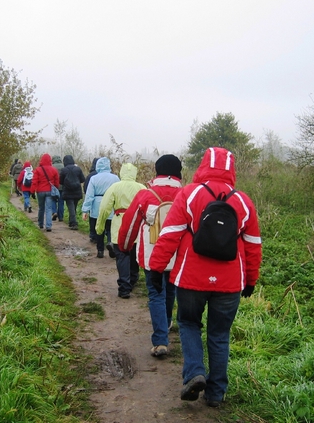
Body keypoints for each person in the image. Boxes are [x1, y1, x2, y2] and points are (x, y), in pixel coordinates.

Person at [148, 147, 262, 408]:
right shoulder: (243, 201)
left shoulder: (189, 194)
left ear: (202, 166)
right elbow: (254, 245)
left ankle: (194, 373)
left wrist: (156, 269)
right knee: (219, 334)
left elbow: (170, 235)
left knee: (188, 324)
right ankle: (216, 393)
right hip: (230, 283)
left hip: (191, 279)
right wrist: (251, 280)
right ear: (232, 169)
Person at [118, 154, 183, 353]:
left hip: (151, 254)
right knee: (171, 288)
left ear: (157, 171)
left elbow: (129, 224)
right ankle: (168, 321)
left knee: (156, 293)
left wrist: (125, 246)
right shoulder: (186, 195)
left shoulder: (147, 195)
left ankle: (160, 340)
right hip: (177, 253)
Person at [97, 163, 146, 299]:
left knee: (122, 255)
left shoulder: (115, 187)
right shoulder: (142, 188)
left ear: (122, 172)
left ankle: (124, 287)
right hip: (136, 226)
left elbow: (104, 209)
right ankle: (133, 279)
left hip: (120, 225)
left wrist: (99, 228)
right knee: (134, 254)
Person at [81, 157, 119, 258]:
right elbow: (118, 193)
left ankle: (100, 250)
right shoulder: (115, 178)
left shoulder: (94, 178)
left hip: (97, 206)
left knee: (99, 229)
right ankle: (111, 244)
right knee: (110, 228)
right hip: (110, 205)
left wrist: (85, 210)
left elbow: (89, 196)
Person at [32, 153, 59, 232]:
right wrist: (55, 188)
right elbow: (57, 182)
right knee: (49, 208)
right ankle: (48, 226)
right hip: (50, 191)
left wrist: (32, 191)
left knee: (41, 208)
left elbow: (34, 181)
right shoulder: (54, 170)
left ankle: (40, 224)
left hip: (40, 191)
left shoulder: (38, 170)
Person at [59, 155, 86, 230]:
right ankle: (71, 222)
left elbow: (60, 181)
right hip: (77, 190)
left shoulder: (64, 170)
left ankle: (73, 223)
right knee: (74, 207)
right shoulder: (78, 169)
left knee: (71, 207)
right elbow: (82, 179)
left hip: (67, 191)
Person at [83, 157, 100, 243]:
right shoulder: (110, 175)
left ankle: (93, 235)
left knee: (93, 218)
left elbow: (85, 188)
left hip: (93, 200)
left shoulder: (90, 176)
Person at [51, 155, 65, 222]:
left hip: (54, 187)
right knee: (61, 202)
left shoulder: (52, 167)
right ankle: (61, 217)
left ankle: (54, 212)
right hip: (62, 187)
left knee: (53, 200)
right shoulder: (63, 166)